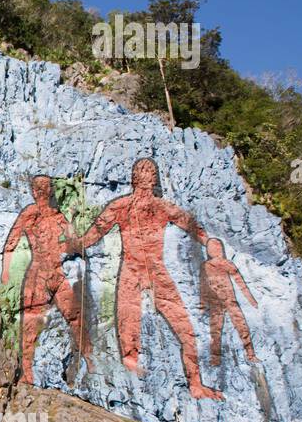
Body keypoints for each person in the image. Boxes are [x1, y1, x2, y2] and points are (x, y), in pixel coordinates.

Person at [67, 158, 222, 400]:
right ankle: (131, 368)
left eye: (149, 172)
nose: (145, 176)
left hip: (156, 270)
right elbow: (94, 233)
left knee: (185, 329)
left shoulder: (162, 208)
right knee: (129, 321)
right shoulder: (122, 206)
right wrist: (74, 244)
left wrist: (208, 241)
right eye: (141, 172)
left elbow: (190, 224)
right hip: (132, 268)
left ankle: (195, 383)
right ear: (134, 178)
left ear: (154, 179)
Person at [1, 175, 92, 385]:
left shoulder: (57, 216)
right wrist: (5, 271)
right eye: (38, 187)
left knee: (75, 315)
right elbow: (11, 241)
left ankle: (89, 360)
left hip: (58, 274)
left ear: (50, 190)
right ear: (33, 191)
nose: (42, 191)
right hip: (37, 274)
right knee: (31, 320)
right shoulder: (29, 213)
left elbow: (75, 242)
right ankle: (27, 372)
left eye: (46, 187)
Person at [201, 238, 258, 366]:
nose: (214, 250)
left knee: (242, 327)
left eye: (216, 247)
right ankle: (215, 359)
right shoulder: (206, 266)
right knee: (215, 331)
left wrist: (251, 300)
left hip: (230, 300)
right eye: (211, 247)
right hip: (215, 302)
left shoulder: (227, 263)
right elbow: (203, 286)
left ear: (220, 249)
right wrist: (203, 304)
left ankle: (250, 354)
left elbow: (240, 283)